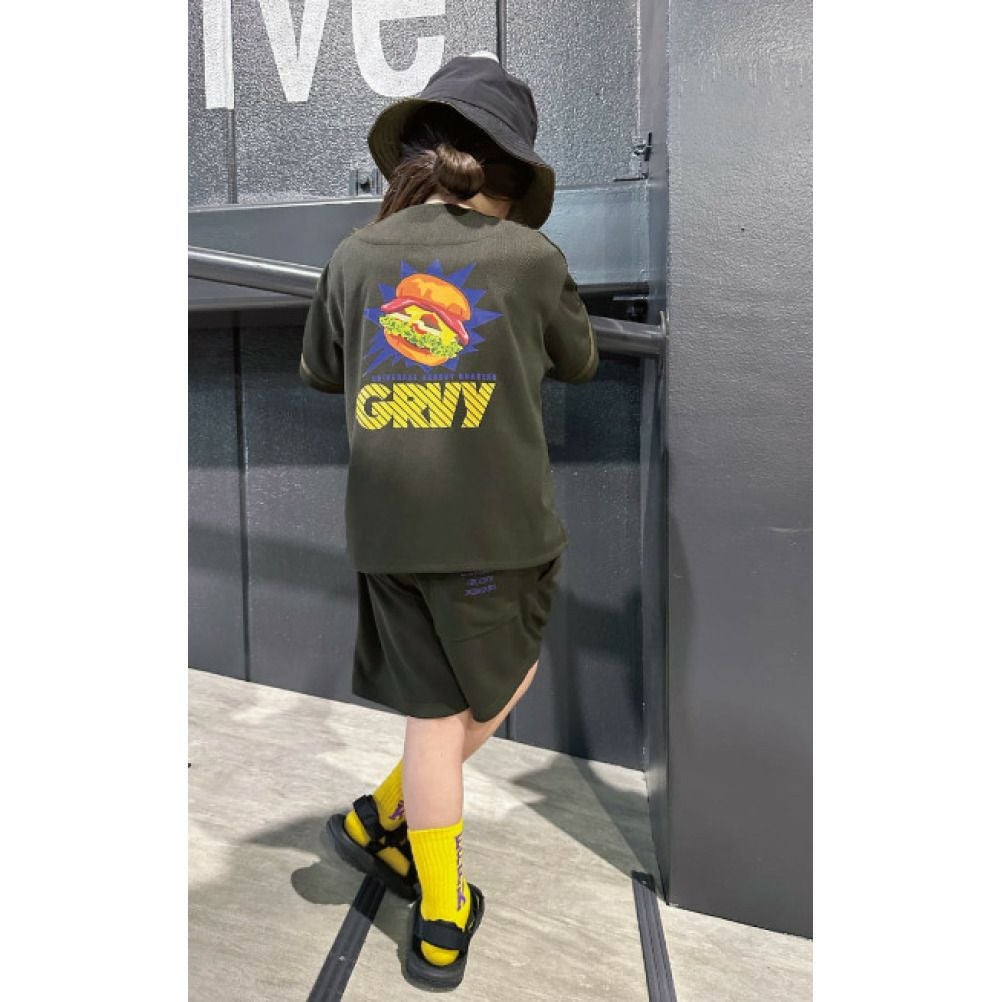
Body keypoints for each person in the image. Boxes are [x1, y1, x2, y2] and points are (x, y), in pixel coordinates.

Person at [299, 53, 598, 990]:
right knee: (487, 697)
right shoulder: (530, 260)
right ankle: (437, 911)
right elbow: (580, 359)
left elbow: (321, 369)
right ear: (513, 174)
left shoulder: (354, 256)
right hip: (497, 538)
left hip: (388, 535)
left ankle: (385, 832)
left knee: (434, 719)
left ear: (414, 158)